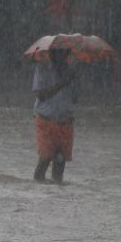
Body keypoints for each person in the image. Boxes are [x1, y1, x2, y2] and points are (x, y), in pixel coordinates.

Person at [32, 48, 78, 183]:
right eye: (58, 53)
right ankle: (39, 188)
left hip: (65, 122)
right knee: (45, 158)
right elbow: (40, 95)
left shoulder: (71, 72)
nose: (61, 57)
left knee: (60, 160)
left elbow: (75, 98)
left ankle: (57, 197)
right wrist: (62, 83)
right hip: (46, 120)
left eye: (65, 53)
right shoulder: (42, 68)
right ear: (51, 54)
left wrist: (74, 79)